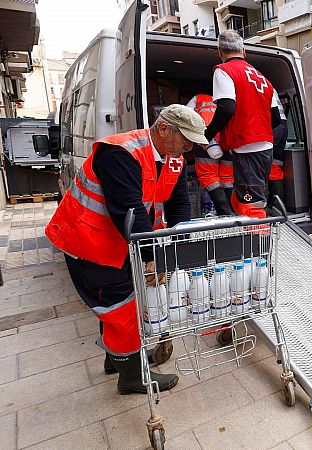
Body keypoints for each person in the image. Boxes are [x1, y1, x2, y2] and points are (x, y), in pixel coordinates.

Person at [46, 104, 209, 395]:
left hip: (118, 242)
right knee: (120, 306)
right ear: (163, 129)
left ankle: (116, 359)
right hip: (89, 242)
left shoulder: (174, 159)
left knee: (115, 304)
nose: (188, 147)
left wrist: (174, 251)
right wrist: (154, 258)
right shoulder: (120, 153)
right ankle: (133, 377)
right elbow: (130, 211)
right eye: (186, 138)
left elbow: (180, 205)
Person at [203, 30, 282, 218]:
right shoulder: (262, 78)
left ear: (220, 52)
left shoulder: (224, 71)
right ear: (244, 51)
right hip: (265, 148)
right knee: (248, 198)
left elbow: (227, 108)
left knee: (251, 205)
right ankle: (248, 233)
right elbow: (276, 119)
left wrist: (207, 134)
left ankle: (258, 243)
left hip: (247, 149)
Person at [187, 93, 234, 215]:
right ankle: (232, 211)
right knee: (227, 177)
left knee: (208, 175)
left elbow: (186, 116)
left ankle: (225, 212)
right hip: (228, 139)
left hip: (207, 138)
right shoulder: (228, 99)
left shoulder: (198, 98)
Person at [267, 95, 288, 209]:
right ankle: (276, 205)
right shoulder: (269, 86)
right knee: (274, 165)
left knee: (266, 163)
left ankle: (274, 204)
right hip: (281, 123)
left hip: (273, 123)